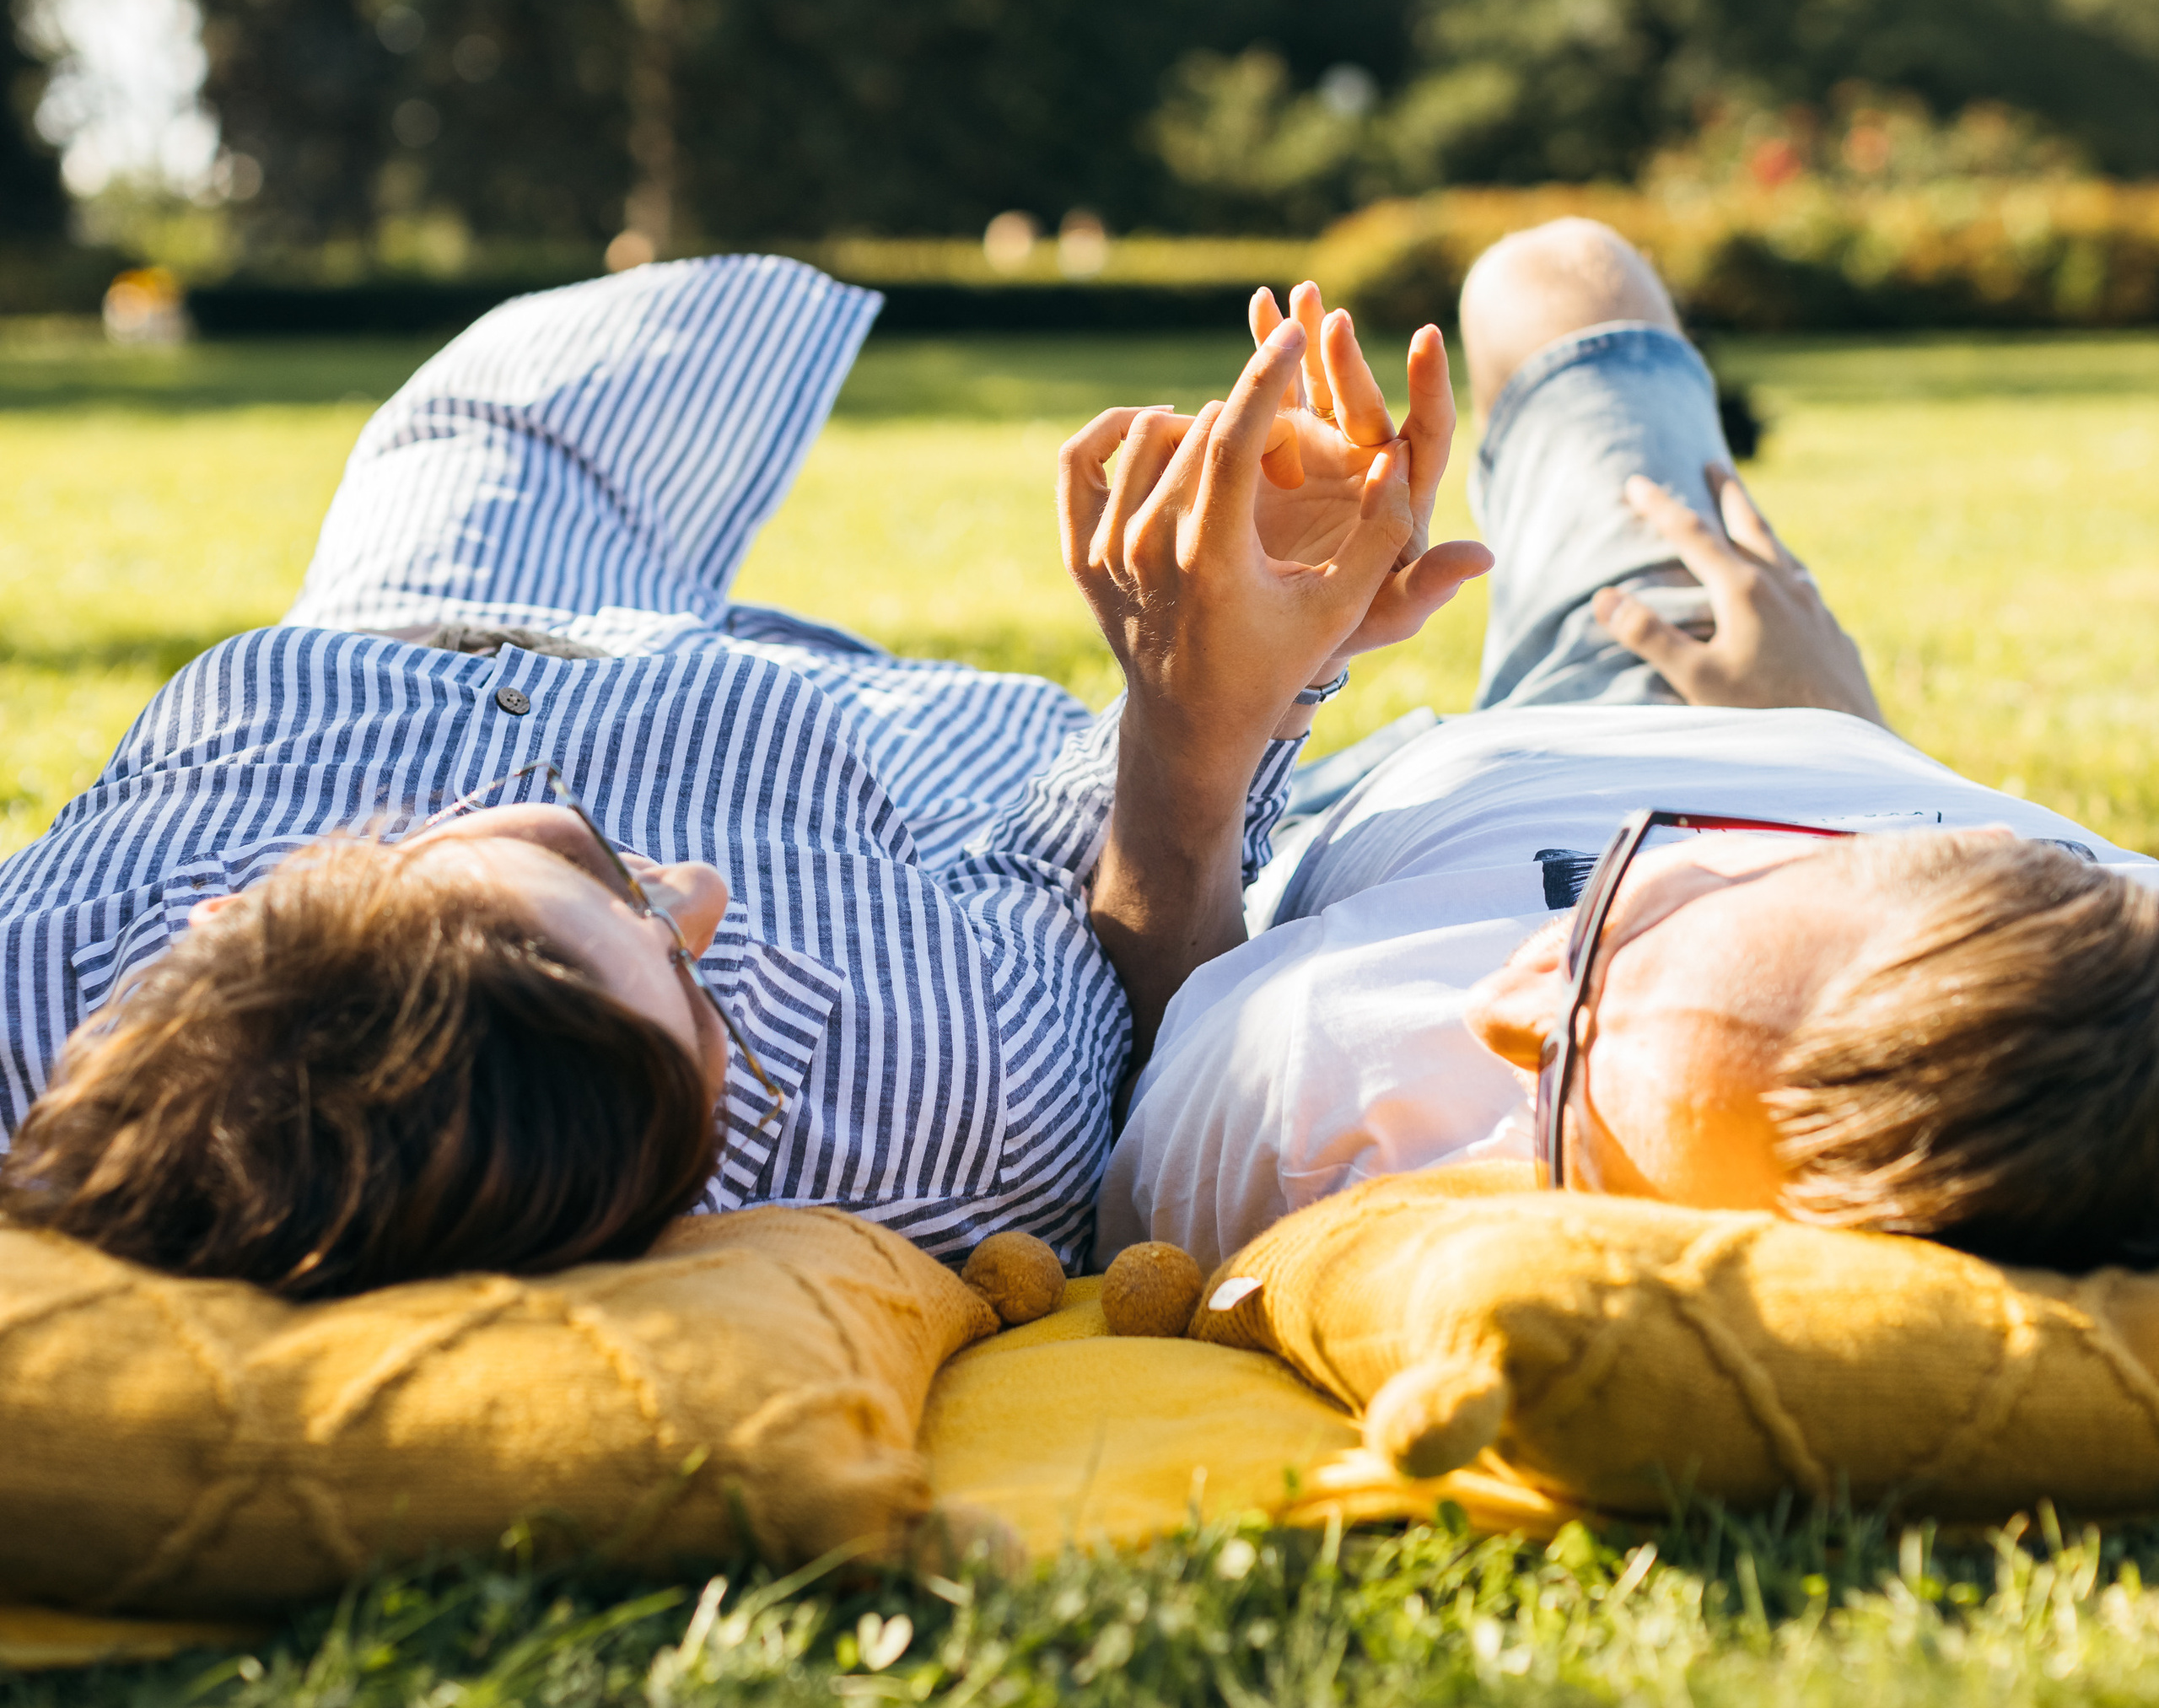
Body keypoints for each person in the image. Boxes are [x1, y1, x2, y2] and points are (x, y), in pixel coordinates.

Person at [0, 252, 1487, 1296]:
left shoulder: (34, 993)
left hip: (413, 613)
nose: (697, 895)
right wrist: (1223, 686)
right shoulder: (932, 1106)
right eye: (698, 1003)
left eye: (593, 869)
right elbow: (1125, 941)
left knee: (576, 357)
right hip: (859, 746)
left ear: (232, 918)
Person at [1095, 218, 2159, 1280]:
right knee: (1557, 278)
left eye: (1563, 1088)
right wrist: (1848, 733)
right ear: (1986, 851)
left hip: (1351, 810)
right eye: (1650, 905)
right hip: (1743, 696)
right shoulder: (2115, 930)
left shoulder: (1324, 1103)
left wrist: (1210, 711)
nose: (1508, 1003)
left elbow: (1167, 1034)